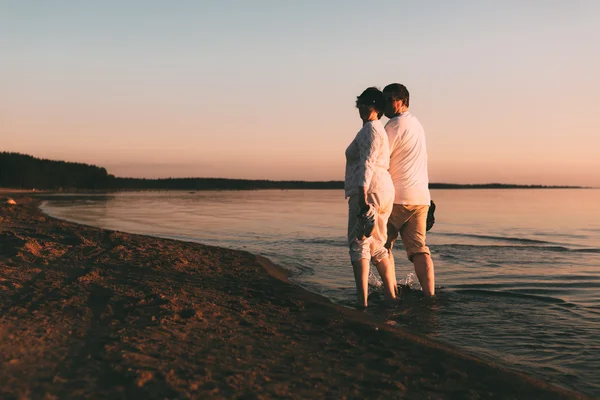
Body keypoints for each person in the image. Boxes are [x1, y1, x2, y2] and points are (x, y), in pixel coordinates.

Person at [344, 87, 397, 308]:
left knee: (359, 244)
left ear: (377, 108)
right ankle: (390, 295)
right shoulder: (378, 130)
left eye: (368, 104)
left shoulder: (370, 130)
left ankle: (362, 301)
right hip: (384, 189)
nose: (363, 108)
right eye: (361, 103)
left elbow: (367, 161)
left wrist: (363, 194)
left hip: (370, 189)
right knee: (377, 244)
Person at [382, 83, 436, 297]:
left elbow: (379, 159)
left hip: (397, 197)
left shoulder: (393, 125)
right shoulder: (416, 124)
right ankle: (429, 295)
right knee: (419, 249)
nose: (385, 104)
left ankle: (391, 292)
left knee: (382, 245)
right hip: (422, 198)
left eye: (389, 100)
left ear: (402, 101)